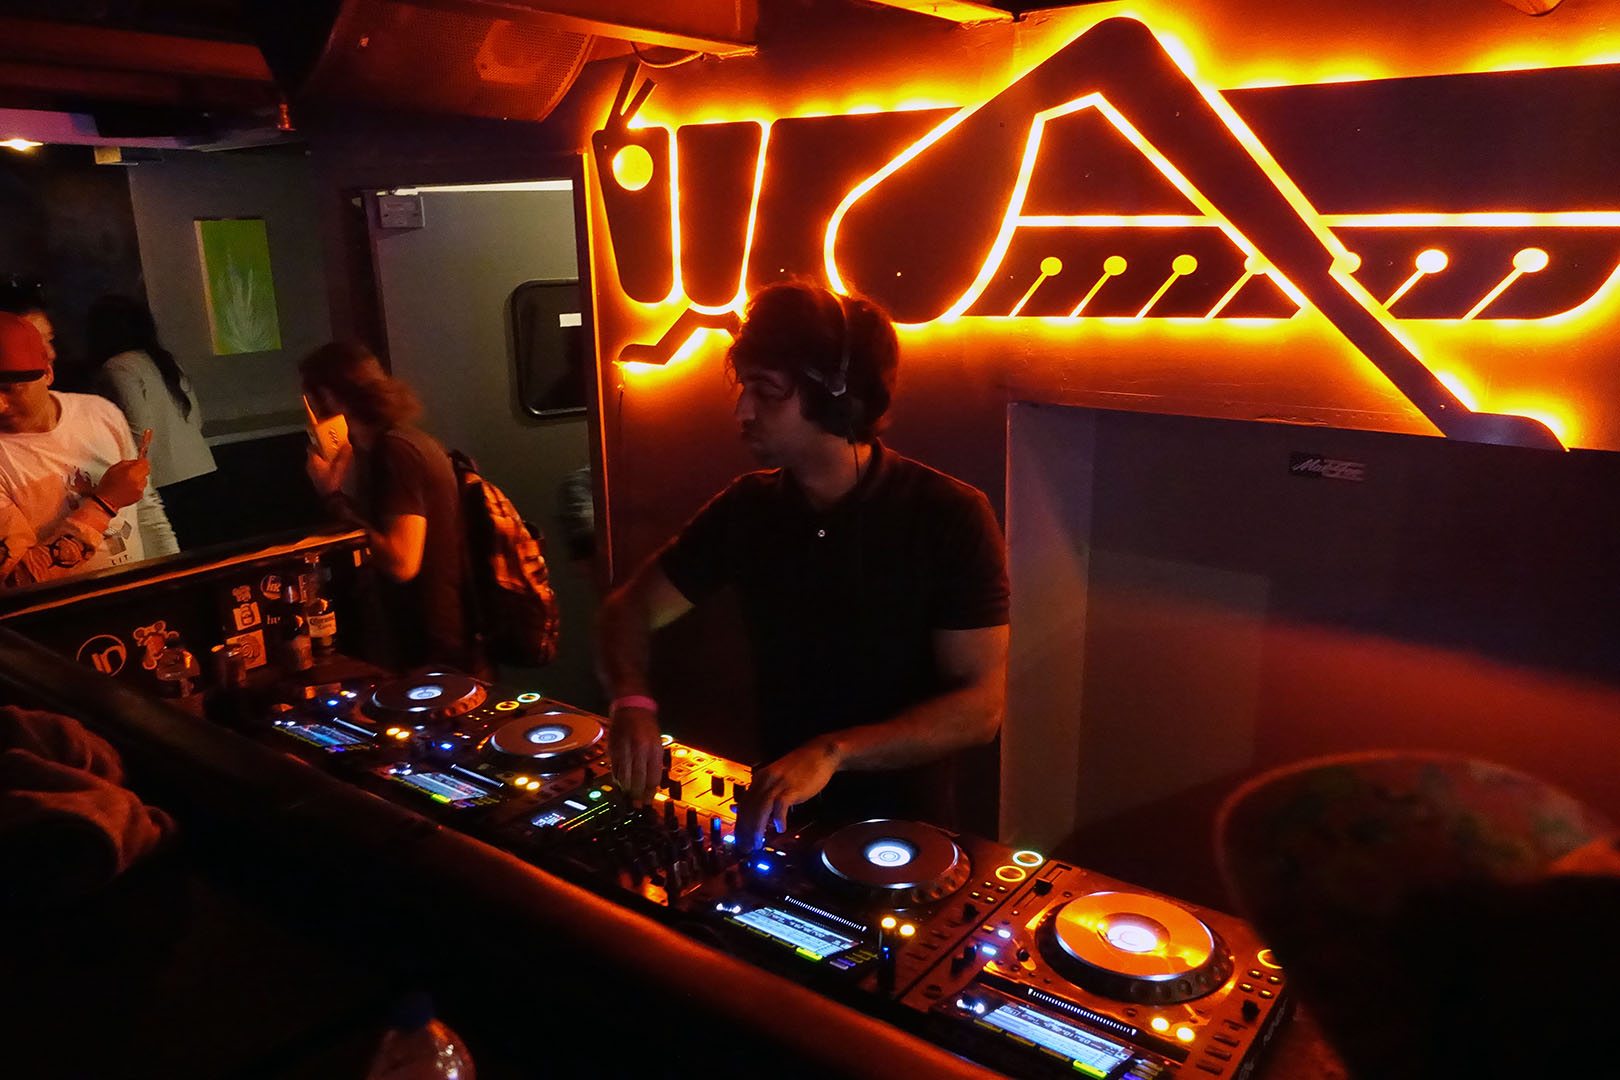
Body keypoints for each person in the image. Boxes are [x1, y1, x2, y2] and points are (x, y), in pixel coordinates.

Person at [597, 282, 1010, 851]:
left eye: (766, 392)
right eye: (744, 388)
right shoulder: (748, 508)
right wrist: (631, 701)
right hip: (781, 813)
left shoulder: (948, 514)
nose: (742, 411)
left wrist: (834, 752)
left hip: (906, 832)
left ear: (837, 398)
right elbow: (630, 611)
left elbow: (980, 708)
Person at [299, 341, 474, 672]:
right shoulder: (402, 442)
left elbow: (401, 561)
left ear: (326, 398)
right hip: (429, 644)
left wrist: (331, 497)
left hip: (430, 651)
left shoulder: (397, 451)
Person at [0, 312, 178, 588]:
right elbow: (15, 582)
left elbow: (145, 509)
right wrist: (106, 502)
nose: (0, 405)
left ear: (47, 373)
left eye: (9, 390)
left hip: (138, 591)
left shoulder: (99, 413)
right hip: (67, 608)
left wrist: (173, 575)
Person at [86, 295, 222, 550]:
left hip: (163, 480)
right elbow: (195, 418)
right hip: (201, 468)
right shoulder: (163, 360)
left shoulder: (117, 367)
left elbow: (139, 429)